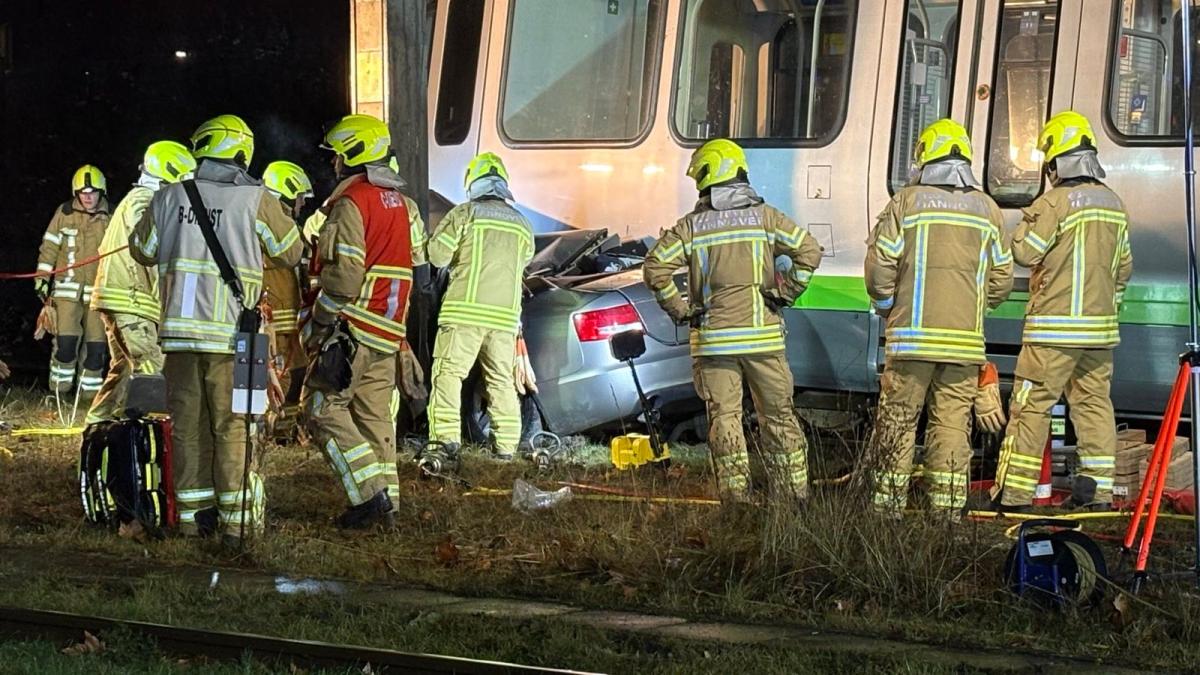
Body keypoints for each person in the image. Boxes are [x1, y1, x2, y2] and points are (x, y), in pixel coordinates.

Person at [130, 114, 303, 543]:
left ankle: (193, 522)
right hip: (235, 338)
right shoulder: (255, 198)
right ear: (242, 152)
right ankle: (235, 525)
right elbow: (291, 252)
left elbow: (142, 250)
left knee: (187, 427)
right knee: (235, 426)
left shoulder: (168, 197)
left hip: (178, 337)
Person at [643, 138, 822, 505]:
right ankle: (793, 497)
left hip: (715, 344)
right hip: (763, 341)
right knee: (778, 417)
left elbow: (655, 269)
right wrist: (787, 293)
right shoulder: (767, 218)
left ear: (710, 177)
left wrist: (679, 309)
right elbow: (809, 252)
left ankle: (736, 498)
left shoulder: (693, 227)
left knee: (724, 419)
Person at [863, 119, 1013, 517]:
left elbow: (880, 270)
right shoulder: (988, 210)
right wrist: (974, 307)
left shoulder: (906, 204)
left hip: (911, 341)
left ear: (925, 157)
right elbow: (1001, 279)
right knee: (951, 425)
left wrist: (886, 303)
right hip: (964, 344)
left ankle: (886, 511)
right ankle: (946, 514)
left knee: (898, 421)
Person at [994, 111, 1133, 511]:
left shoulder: (1054, 203)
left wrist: (1022, 226)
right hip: (1099, 334)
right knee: (1093, 406)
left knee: (1032, 406)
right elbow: (1123, 268)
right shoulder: (1114, 204)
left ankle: (1016, 496)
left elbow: (1025, 251)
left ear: (1057, 161)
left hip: (1054, 332)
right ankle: (1098, 493)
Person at [304, 113, 427, 528]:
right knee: (375, 418)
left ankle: (367, 498)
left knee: (322, 406)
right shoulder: (399, 203)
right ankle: (387, 507)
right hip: (388, 332)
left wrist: (320, 322)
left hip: (353, 326)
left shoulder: (353, 202)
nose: (334, 163)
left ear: (352, 154)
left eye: (337, 155)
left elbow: (343, 278)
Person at [426, 153, 533, 461]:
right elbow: (523, 263)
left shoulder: (465, 214)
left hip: (463, 314)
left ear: (473, 184)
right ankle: (506, 449)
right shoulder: (523, 225)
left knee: (448, 376)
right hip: (504, 320)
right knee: (500, 382)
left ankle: (445, 446)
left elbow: (437, 257)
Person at [86, 142, 196, 425]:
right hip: (129, 300)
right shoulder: (144, 201)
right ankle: (150, 435)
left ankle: (97, 423)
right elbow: (150, 246)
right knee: (152, 365)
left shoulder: (139, 198)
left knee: (123, 369)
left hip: (122, 298)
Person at [37, 165, 111, 413]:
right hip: (66, 293)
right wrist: (42, 277)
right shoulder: (64, 214)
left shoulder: (111, 218)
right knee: (65, 345)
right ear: (75, 192)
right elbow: (49, 247)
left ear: (102, 192)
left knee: (96, 348)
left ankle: (89, 400)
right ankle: (59, 396)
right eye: (83, 192)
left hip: (98, 295)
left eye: (92, 192)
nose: (88, 197)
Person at [260, 160, 315, 441]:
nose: (303, 203)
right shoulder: (270, 219)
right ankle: (272, 437)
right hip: (276, 321)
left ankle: (284, 436)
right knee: (279, 381)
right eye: (300, 197)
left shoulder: (282, 220)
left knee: (295, 376)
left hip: (288, 320)